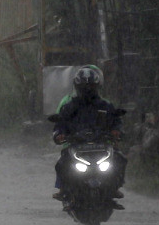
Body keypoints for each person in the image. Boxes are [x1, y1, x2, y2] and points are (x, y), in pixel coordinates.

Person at [51, 65, 126, 201]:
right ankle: (63, 189)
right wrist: (59, 134)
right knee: (61, 163)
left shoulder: (105, 106)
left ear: (97, 87)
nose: (87, 90)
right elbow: (60, 124)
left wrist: (117, 131)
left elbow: (116, 121)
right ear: (77, 87)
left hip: (101, 145)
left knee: (120, 159)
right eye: (84, 87)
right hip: (76, 145)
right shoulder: (69, 106)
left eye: (91, 86)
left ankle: (114, 186)